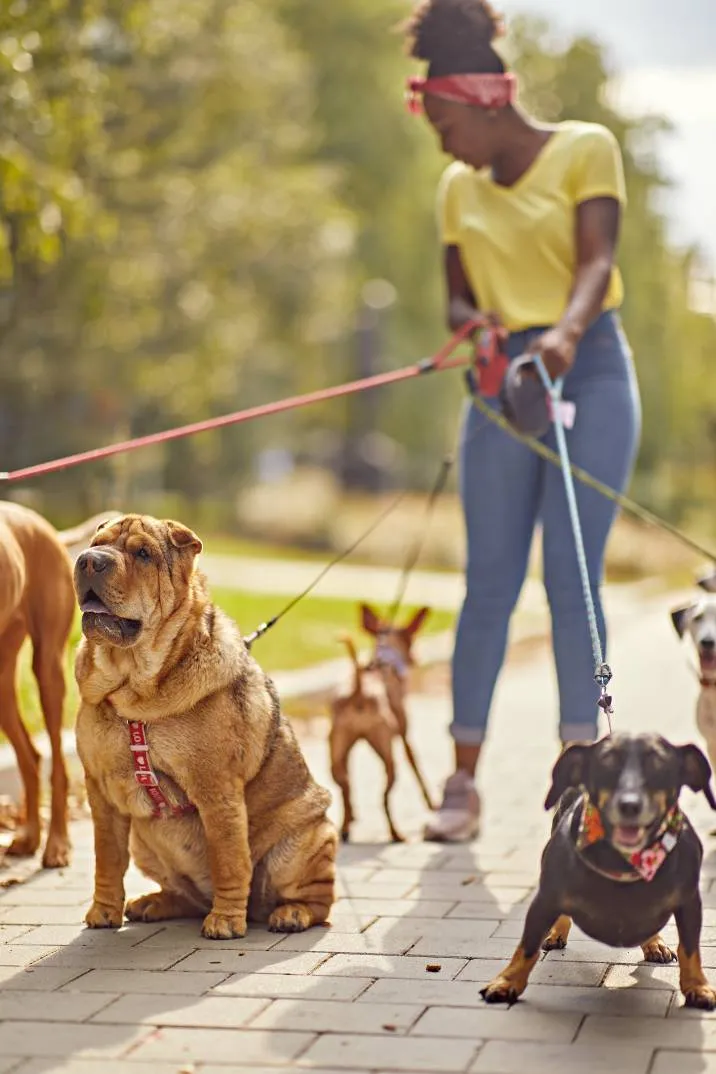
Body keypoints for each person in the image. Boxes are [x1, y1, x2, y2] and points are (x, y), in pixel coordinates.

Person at [402, 0, 641, 842]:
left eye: (443, 123)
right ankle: (462, 784)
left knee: (573, 578)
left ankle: (587, 786)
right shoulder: (456, 189)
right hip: (501, 382)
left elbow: (597, 261)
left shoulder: (586, 148)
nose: (441, 143)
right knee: (489, 584)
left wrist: (566, 336)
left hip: (592, 370)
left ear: (485, 101)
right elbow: (457, 298)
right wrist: (484, 334)